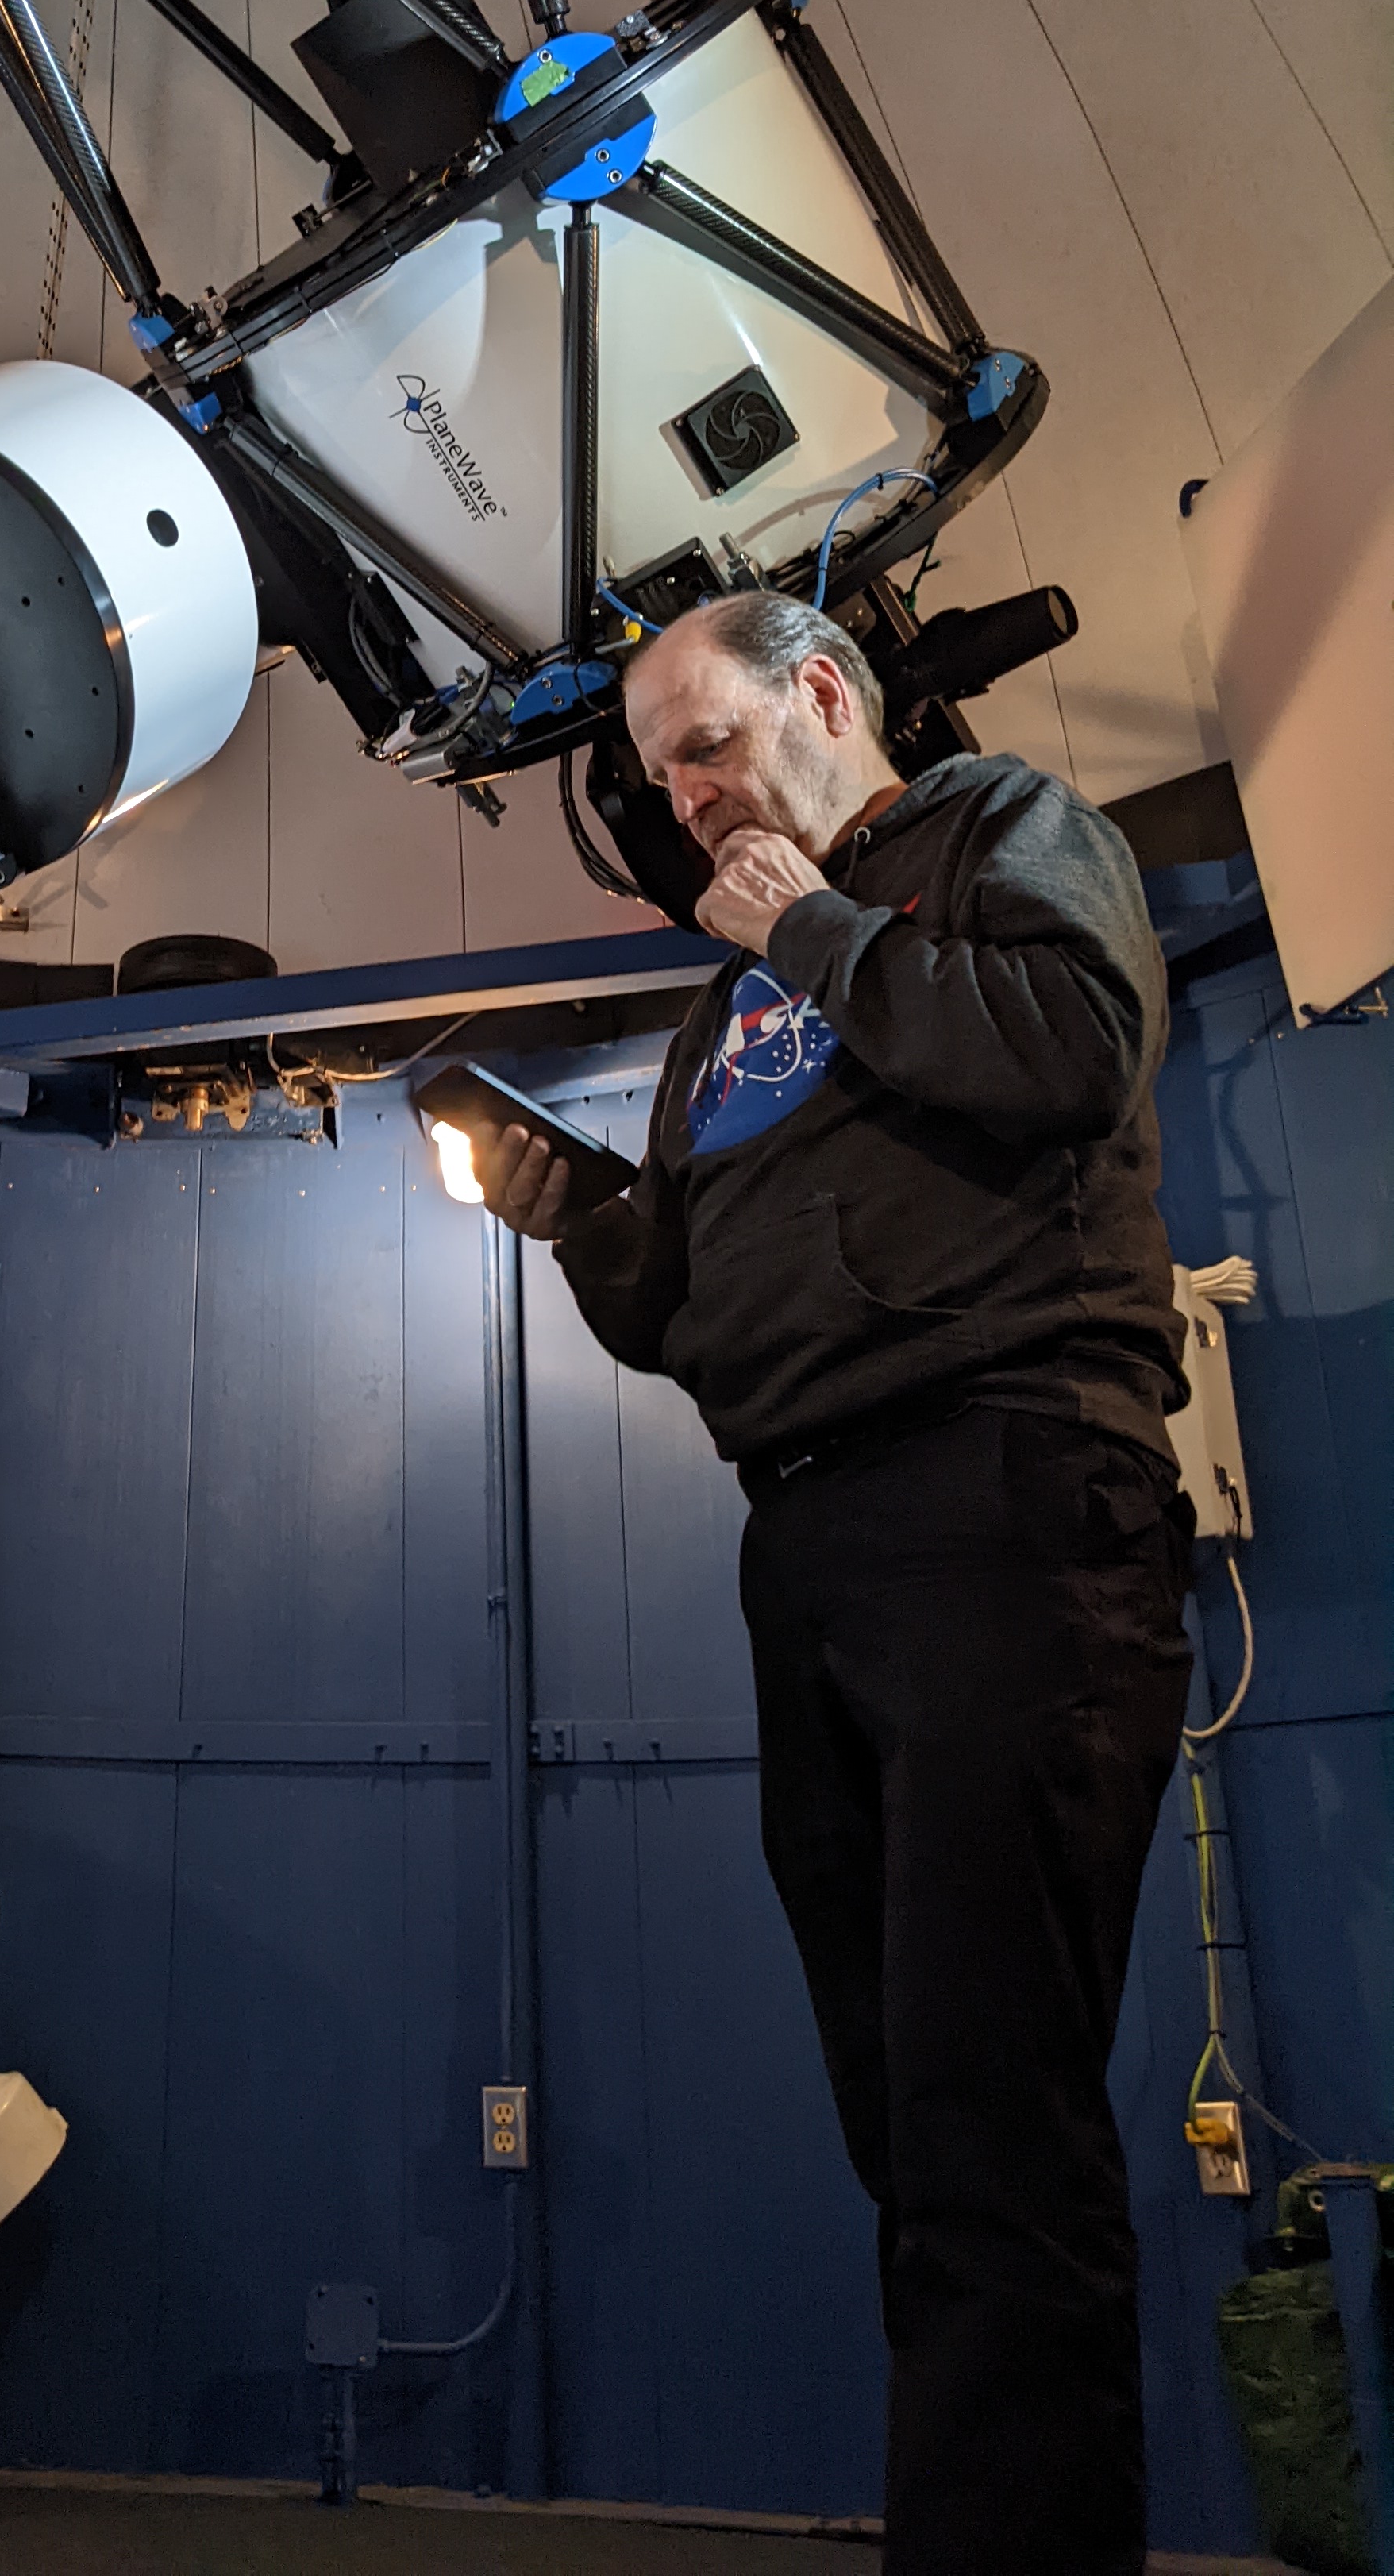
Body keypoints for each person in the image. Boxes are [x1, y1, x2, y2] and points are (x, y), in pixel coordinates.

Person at [483, 593, 1192, 2576]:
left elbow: (1072, 1048)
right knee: (909, 2121)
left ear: (821, 692)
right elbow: (686, 1313)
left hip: (1003, 1491)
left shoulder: (999, 827)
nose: (686, 800)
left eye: (706, 745)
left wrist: (810, 929)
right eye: (660, 780)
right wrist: (577, 1215)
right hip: (809, 1542)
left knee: (990, 2114)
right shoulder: (727, 1010)